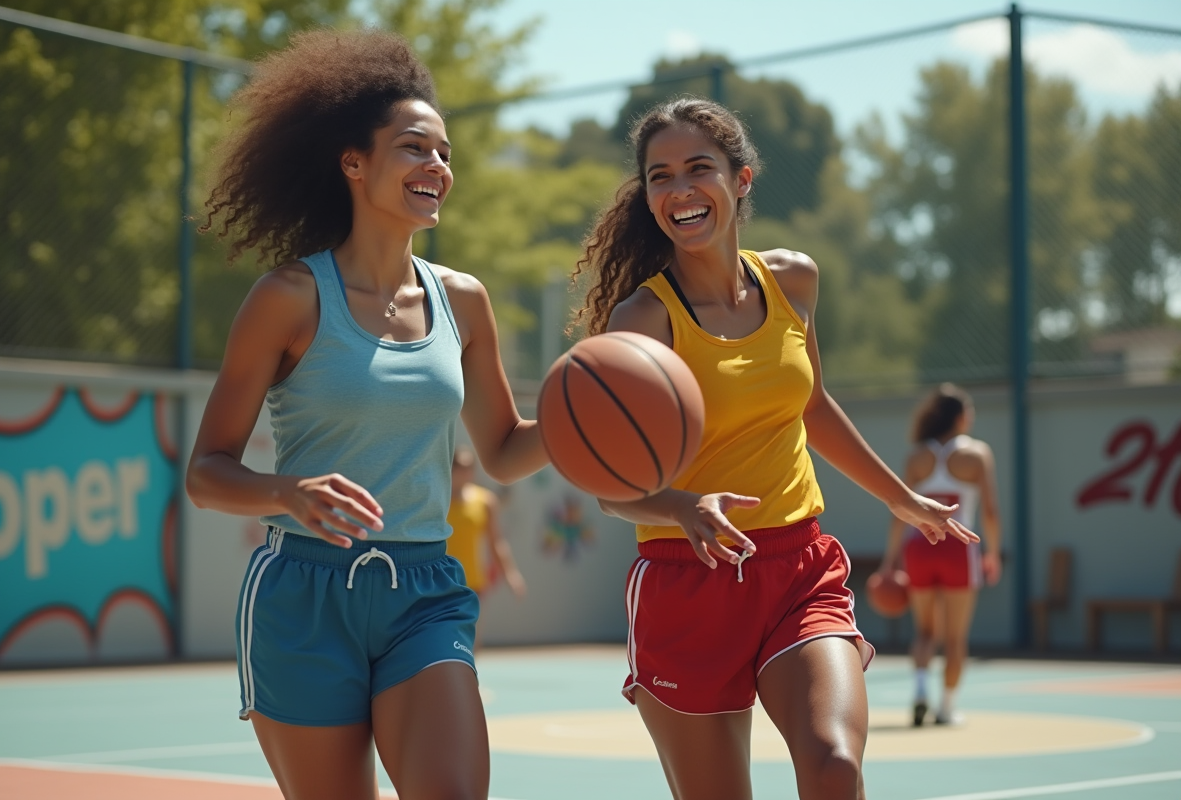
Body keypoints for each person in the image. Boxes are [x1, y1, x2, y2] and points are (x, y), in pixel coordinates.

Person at [571, 97, 979, 800]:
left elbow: (813, 405)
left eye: (699, 168)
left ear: (742, 179)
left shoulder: (793, 280)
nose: (679, 189)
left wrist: (901, 497)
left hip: (797, 568)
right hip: (685, 579)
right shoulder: (641, 318)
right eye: (660, 176)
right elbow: (608, 485)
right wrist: (683, 505)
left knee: (835, 766)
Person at [186, 30, 545, 800]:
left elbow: (506, 450)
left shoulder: (465, 302)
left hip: (424, 589)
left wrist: (587, 427)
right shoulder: (288, 297)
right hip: (303, 595)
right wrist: (286, 491)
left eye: (445, 153)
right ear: (354, 162)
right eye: (415, 149)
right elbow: (206, 473)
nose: (438, 168)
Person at [880, 384, 1001, 727]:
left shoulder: (917, 456)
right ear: (961, 417)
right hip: (959, 547)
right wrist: (991, 552)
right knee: (955, 637)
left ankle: (920, 691)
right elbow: (991, 511)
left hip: (920, 544)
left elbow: (898, 511)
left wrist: (890, 561)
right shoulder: (977, 454)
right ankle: (946, 709)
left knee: (924, 631)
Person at [446, 446, 528, 646]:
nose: (463, 471)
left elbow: (496, 542)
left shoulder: (485, 501)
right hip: (441, 582)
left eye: (467, 467)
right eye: (458, 466)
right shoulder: (439, 500)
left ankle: (470, 676)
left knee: (470, 641)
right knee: (443, 641)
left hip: (473, 583)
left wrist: (511, 574)